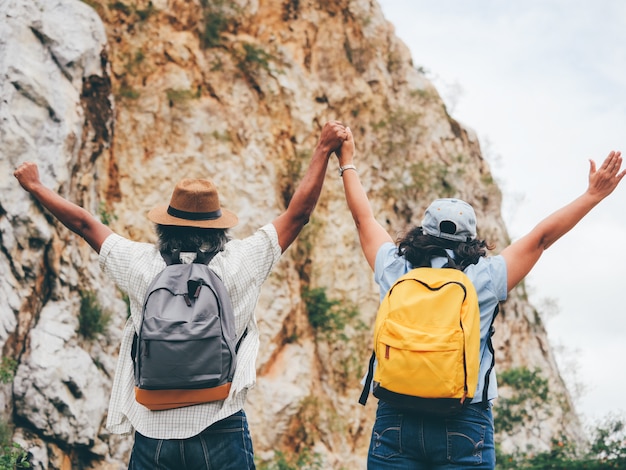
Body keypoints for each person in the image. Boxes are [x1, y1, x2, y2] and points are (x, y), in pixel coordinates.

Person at [14, 121, 349, 470]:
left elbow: (85, 224)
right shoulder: (240, 263)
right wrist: (323, 149)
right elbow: (298, 215)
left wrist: (36, 185)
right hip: (220, 425)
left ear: (164, 226)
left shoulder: (141, 264)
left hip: (153, 433)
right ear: (219, 227)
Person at [334, 127, 625, 469]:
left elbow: (362, 218)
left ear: (423, 232)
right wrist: (592, 195)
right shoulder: (486, 277)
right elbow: (541, 239)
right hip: (465, 418)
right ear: (471, 240)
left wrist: (347, 161)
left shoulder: (393, 267)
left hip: (396, 416)